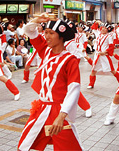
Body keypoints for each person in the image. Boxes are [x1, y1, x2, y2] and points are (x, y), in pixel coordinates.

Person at [18, 15, 83, 150]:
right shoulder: (45, 50)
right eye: (45, 32)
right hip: (41, 109)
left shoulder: (70, 60)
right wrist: (37, 21)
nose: (46, 36)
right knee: (24, 145)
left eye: (51, 33)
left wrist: (62, 115)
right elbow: (29, 31)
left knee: (69, 148)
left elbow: (74, 89)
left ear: (61, 37)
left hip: (59, 111)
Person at [87, 23, 119, 89]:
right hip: (97, 55)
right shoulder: (98, 34)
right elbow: (93, 27)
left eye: (105, 28)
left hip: (104, 56)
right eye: (102, 27)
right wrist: (98, 22)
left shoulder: (109, 36)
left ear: (108, 30)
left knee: (112, 70)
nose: (103, 29)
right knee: (93, 70)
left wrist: (105, 52)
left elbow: (111, 46)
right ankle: (91, 84)